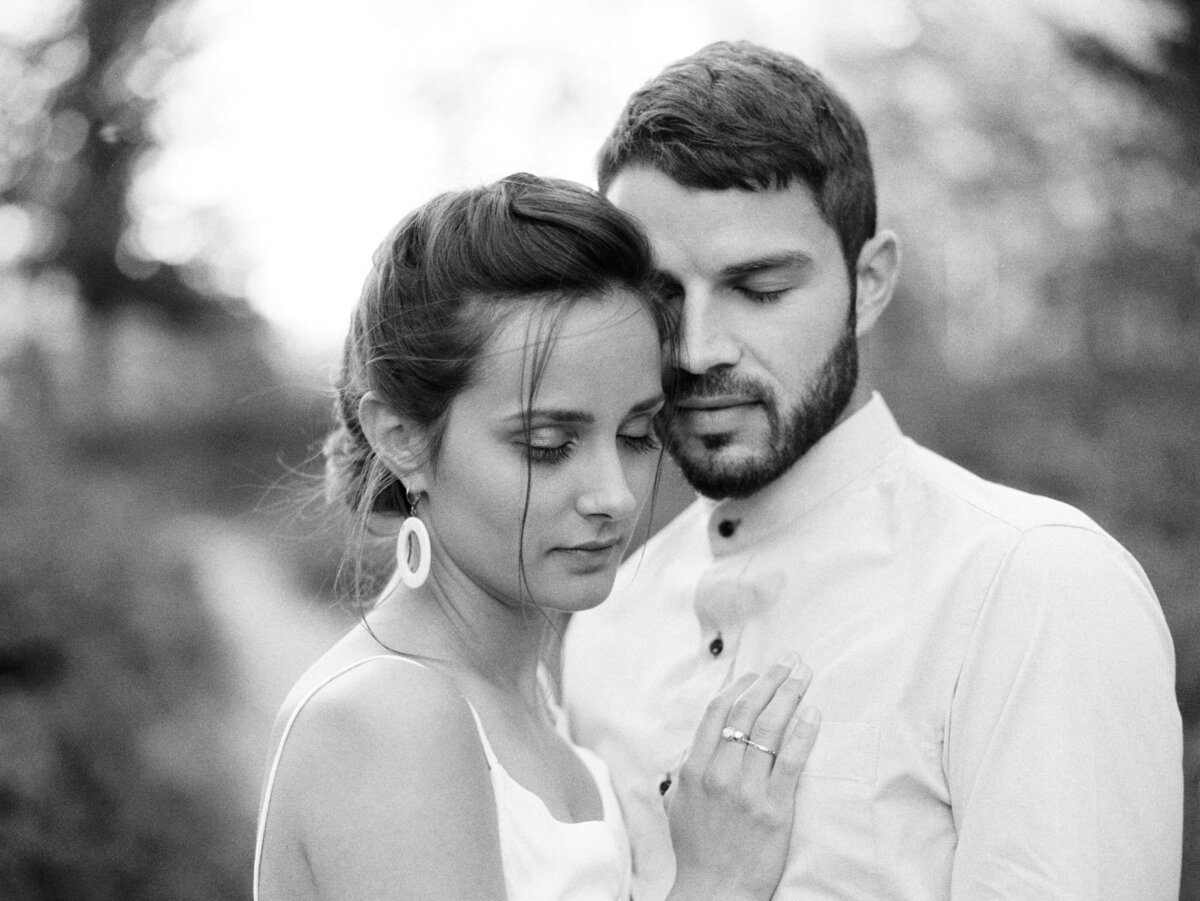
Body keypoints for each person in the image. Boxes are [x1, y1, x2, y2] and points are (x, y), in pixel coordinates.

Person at [562, 40, 1183, 900]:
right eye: (663, 299)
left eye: (760, 288)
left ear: (872, 281)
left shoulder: (1031, 583)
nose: (698, 349)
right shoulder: (603, 623)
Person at [252, 173, 822, 901]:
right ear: (401, 437)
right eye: (549, 444)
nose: (614, 495)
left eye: (638, 434)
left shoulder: (531, 696)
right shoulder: (388, 717)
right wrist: (716, 882)